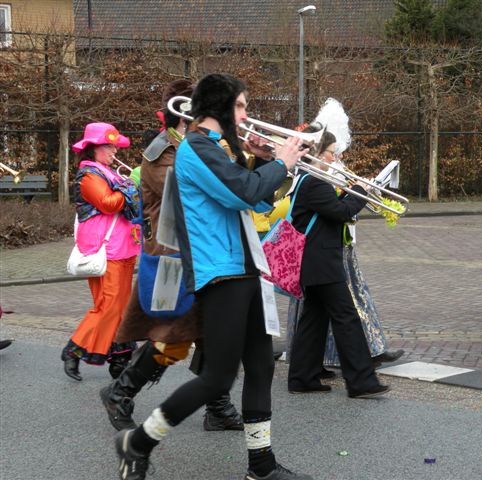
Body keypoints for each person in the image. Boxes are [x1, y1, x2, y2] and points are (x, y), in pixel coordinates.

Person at [114, 73, 313, 480]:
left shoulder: (217, 149)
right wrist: (280, 162)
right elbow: (242, 192)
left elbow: (257, 195)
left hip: (245, 269)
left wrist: (258, 159)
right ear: (221, 106)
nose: (245, 114)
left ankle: (261, 465)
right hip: (222, 274)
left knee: (260, 369)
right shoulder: (196, 149)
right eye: (240, 106)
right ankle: (138, 442)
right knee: (217, 377)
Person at [99, 79, 242, 433]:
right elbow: (190, 196)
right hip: (173, 256)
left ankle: (218, 407)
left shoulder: (206, 145)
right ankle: (121, 391)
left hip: (203, 252)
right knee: (173, 334)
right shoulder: (161, 152)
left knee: (213, 329)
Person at [286, 125, 390, 399]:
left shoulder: (308, 181)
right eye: (331, 153)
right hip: (320, 261)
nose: (335, 158)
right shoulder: (315, 182)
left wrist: (350, 192)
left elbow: (327, 210)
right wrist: (358, 191)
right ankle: (361, 381)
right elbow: (341, 213)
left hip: (314, 260)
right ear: (318, 153)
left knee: (314, 319)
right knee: (347, 318)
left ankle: (302, 377)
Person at [61, 123, 140, 381]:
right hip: (105, 249)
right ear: (92, 148)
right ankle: (74, 351)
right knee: (108, 306)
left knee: (119, 306)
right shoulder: (89, 175)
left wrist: (129, 188)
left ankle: (119, 358)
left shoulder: (107, 172)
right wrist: (130, 188)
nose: (113, 150)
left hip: (122, 246)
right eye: (107, 145)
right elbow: (107, 204)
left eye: (113, 145)